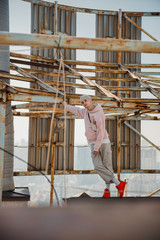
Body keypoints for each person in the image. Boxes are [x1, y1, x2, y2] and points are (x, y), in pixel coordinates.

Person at [62, 94, 126, 198]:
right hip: (93, 142)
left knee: (106, 165)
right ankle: (118, 184)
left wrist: (97, 147)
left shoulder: (99, 113)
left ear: (91, 100)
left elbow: (101, 132)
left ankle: (107, 190)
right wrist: (66, 105)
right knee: (98, 165)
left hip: (103, 141)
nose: (84, 103)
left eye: (85, 101)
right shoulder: (85, 112)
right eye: (82, 102)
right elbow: (76, 110)